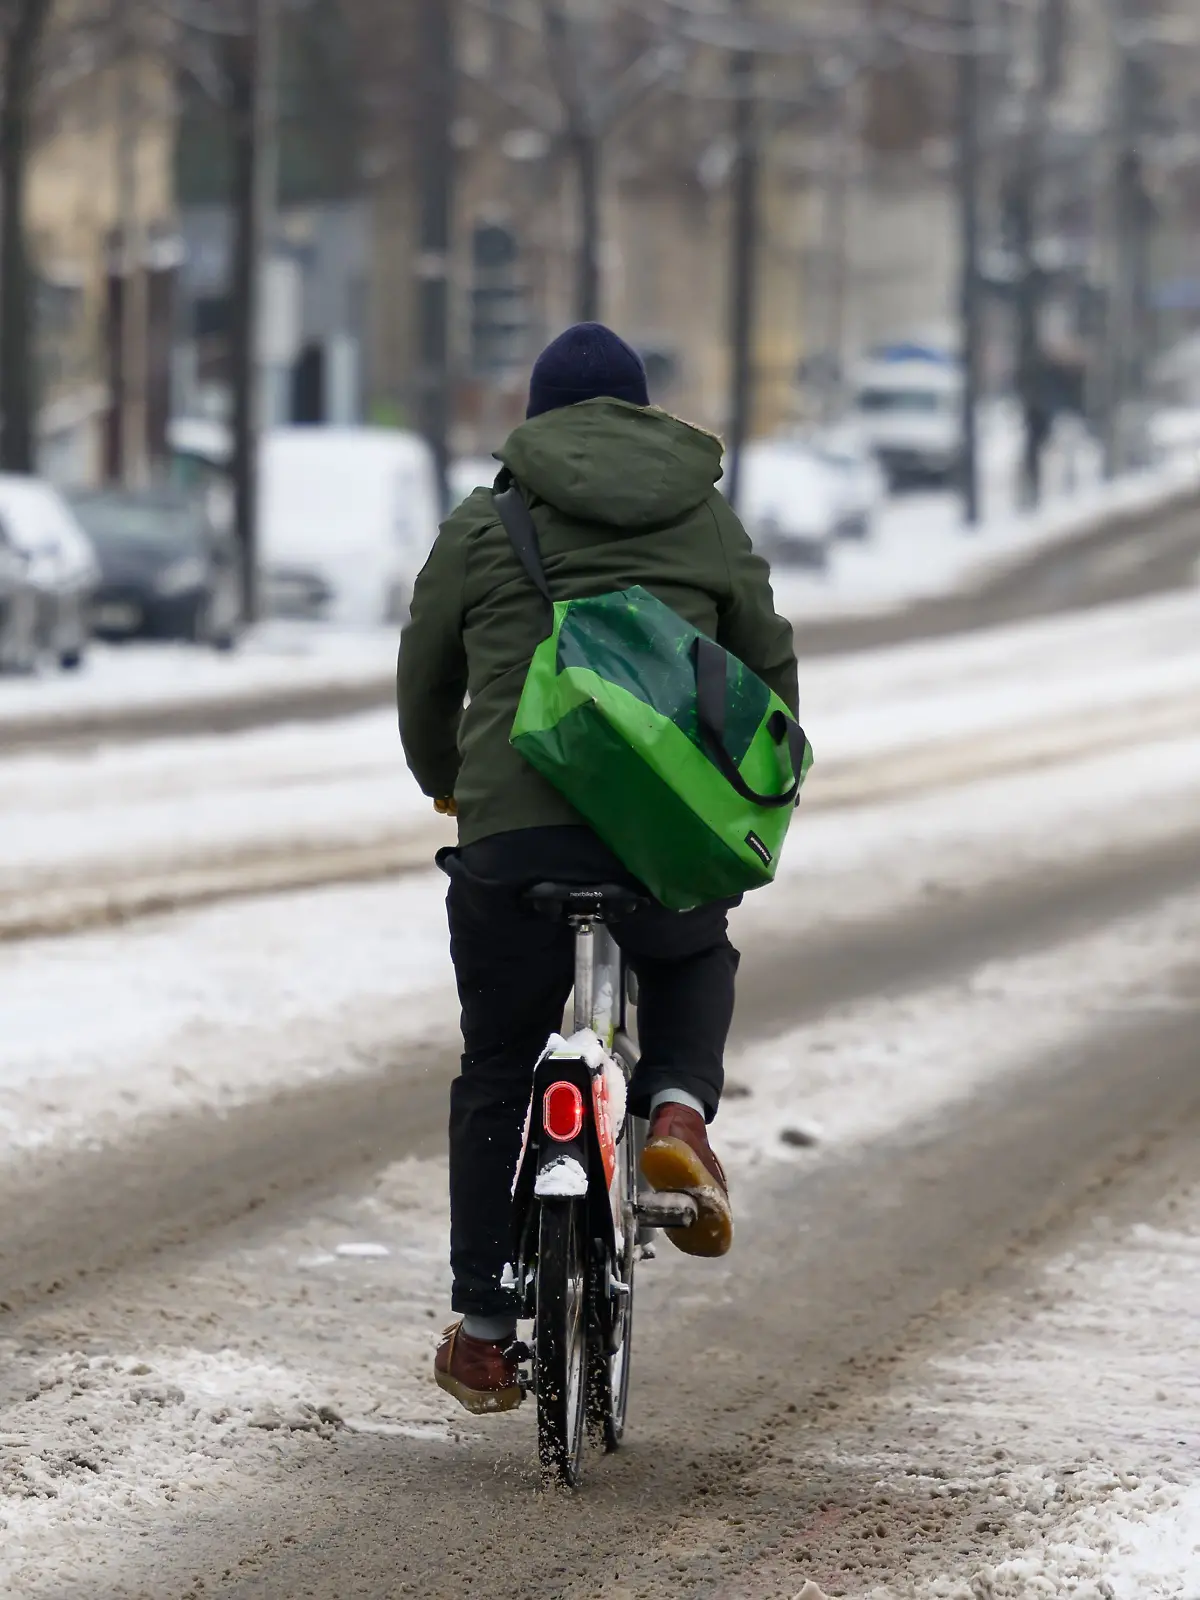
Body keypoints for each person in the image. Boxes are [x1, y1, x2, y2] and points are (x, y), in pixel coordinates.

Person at [398, 322, 797, 1415]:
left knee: (495, 1065)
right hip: (659, 831)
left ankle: (485, 1329)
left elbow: (425, 674)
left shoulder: (486, 522)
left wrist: (453, 778)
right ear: (642, 412)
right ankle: (673, 1110)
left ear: (536, 419)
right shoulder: (705, 517)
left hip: (512, 836)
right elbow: (767, 665)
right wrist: (744, 783)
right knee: (692, 946)